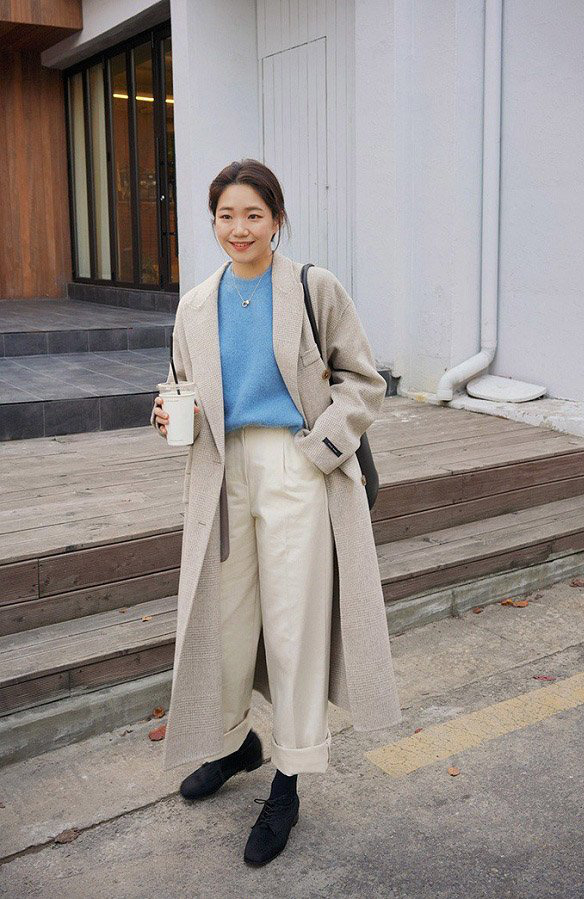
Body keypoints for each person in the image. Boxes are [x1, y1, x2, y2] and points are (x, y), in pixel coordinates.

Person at [151, 159, 402, 867]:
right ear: (213, 221)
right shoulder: (196, 304)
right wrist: (166, 412)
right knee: (225, 626)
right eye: (226, 216)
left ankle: (287, 780)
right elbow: (181, 385)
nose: (239, 229)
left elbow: (363, 381)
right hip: (222, 473)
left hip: (297, 469)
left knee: (294, 628)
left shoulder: (314, 289)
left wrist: (321, 449)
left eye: (253, 215)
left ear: (277, 219)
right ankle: (236, 745)